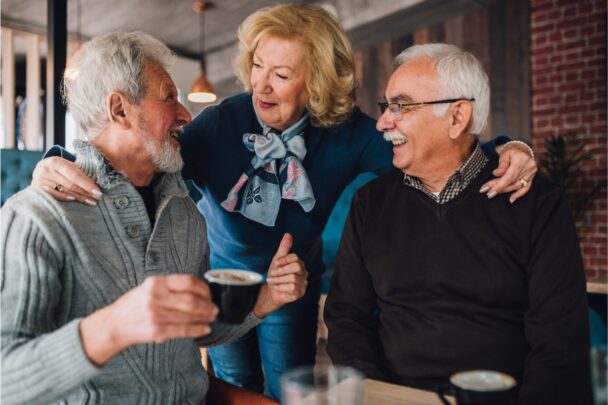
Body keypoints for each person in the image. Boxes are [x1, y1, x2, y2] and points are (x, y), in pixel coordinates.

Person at [30, 4, 538, 400]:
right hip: (224, 283)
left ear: (315, 82)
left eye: (281, 73)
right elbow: (137, 154)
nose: (260, 84)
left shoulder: (346, 135)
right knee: (234, 386)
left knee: (291, 390)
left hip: (292, 283)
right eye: (257, 65)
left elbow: (432, 147)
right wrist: (57, 159)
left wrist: (509, 148)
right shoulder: (219, 124)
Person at [0, 31, 307, 405]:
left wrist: (266, 297)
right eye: (168, 97)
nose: (185, 114)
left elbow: (195, 327)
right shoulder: (35, 216)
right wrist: (112, 327)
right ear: (119, 109)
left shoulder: (186, 214)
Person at [324, 43, 592, 405]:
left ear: (457, 117)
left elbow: (559, 342)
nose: (384, 122)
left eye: (400, 106)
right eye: (386, 107)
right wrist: (374, 392)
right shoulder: (370, 203)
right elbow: (346, 316)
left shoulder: (536, 203)